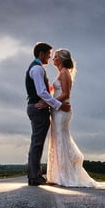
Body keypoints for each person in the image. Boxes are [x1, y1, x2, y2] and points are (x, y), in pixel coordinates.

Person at [43, 48, 105, 189]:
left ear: (62, 59)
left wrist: (49, 102)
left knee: (61, 140)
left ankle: (64, 176)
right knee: (59, 140)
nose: (53, 58)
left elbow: (65, 94)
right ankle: (59, 175)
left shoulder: (64, 73)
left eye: (56, 56)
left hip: (62, 111)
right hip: (58, 110)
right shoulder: (61, 73)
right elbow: (58, 91)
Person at [26, 42, 70, 186]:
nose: (50, 58)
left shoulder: (37, 68)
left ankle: (35, 175)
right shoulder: (37, 69)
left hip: (38, 108)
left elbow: (45, 90)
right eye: (49, 55)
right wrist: (58, 105)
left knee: (37, 143)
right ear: (41, 54)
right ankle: (35, 177)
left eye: (53, 56)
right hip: (38, 108)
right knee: (37, 143)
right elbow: (41, 92)